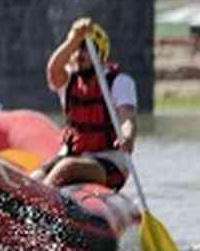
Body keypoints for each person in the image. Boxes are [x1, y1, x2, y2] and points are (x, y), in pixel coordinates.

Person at [39, 19, 136, 191]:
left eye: (85, 49)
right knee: (38, 174)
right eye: (76, 49)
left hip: (109, 163)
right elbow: (53, 70)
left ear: (100, 55)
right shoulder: (67, 81)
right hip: (74, 155)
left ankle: (38, 200)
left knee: (68, 167)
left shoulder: (119, 82)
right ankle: (28, 199)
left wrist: (127, 136)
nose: (79, 54)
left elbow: (127, 117)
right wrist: (74, 39)